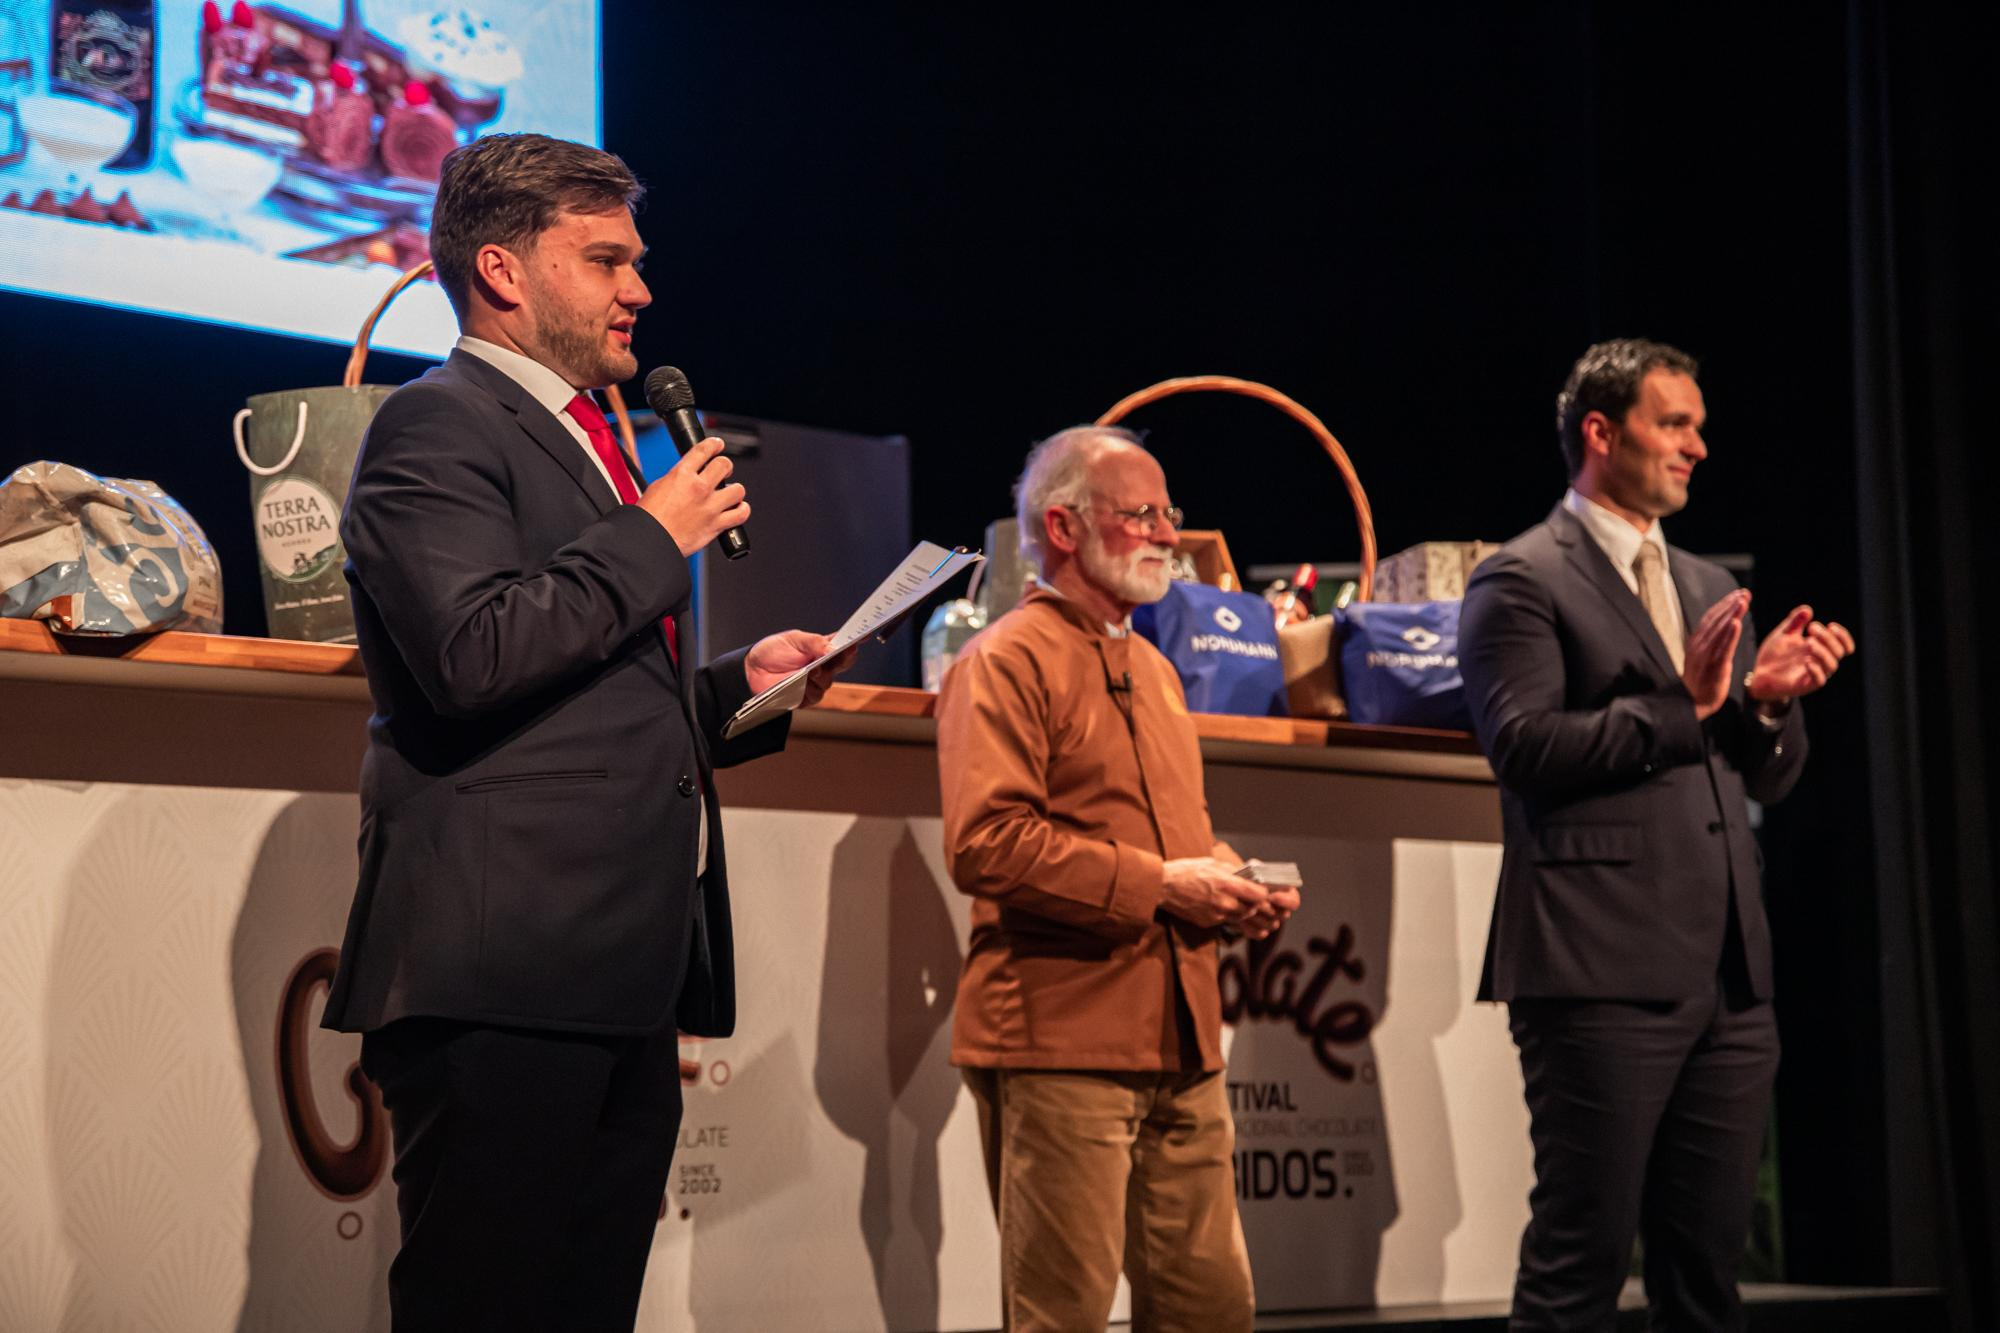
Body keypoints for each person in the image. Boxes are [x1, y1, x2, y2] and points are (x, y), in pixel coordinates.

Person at [320, 132, 849, 1331]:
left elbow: (580, 693)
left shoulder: (584, 441)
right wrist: (657, 536)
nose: (640, 290)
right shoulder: (432, 424)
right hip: (505, 968)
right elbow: (472, 656)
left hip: (611, 974)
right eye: (606, 260)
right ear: (503, 270)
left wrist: (735, 689)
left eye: (637, 260)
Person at [1459, 339, 1855, 1331]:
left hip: (1726, 977)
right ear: (1600, 431)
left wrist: (1767, 706)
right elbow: (1525, 748)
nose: (1696, 447)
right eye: (1673, 424)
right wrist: (1690, 704)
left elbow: (1762, 772)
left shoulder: (1702, 579)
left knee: (1705, 1283)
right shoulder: (1519, 579)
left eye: (1697, 426)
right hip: (1595, 970)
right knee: (1577, 1269)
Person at [936, 425, 1301, 1333]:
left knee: (1211, 1311)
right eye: (1143, 514)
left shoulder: (1158, 670)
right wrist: (1166, 885)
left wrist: (1231, 882)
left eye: (1167, 513)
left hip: (1184, 1041)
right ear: (1064, 526)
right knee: (1062, 1315)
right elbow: (987, 842)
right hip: (1062, 1042)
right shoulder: (1006, 657)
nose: (1168, 534)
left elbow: (1180, 841)